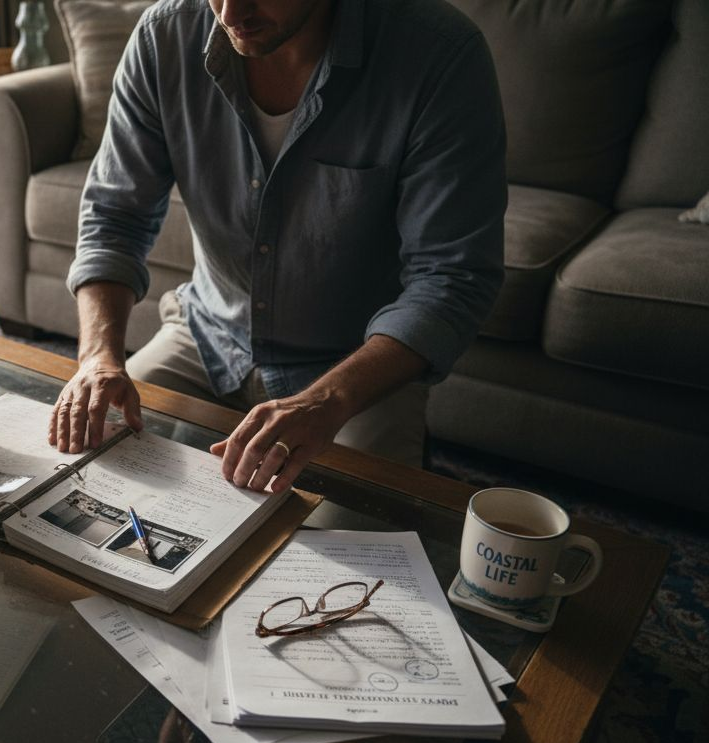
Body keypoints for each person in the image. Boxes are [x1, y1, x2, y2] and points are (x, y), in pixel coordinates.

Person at [48, 0, 506, 496]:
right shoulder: (163, 37)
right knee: (87, 483)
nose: (230, 11)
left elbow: (451, 278)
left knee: (357, 549)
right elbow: (115, 216)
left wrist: (325, 402)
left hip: (354, 366)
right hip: (207, 336)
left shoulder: (438, 54)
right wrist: (97, 357)